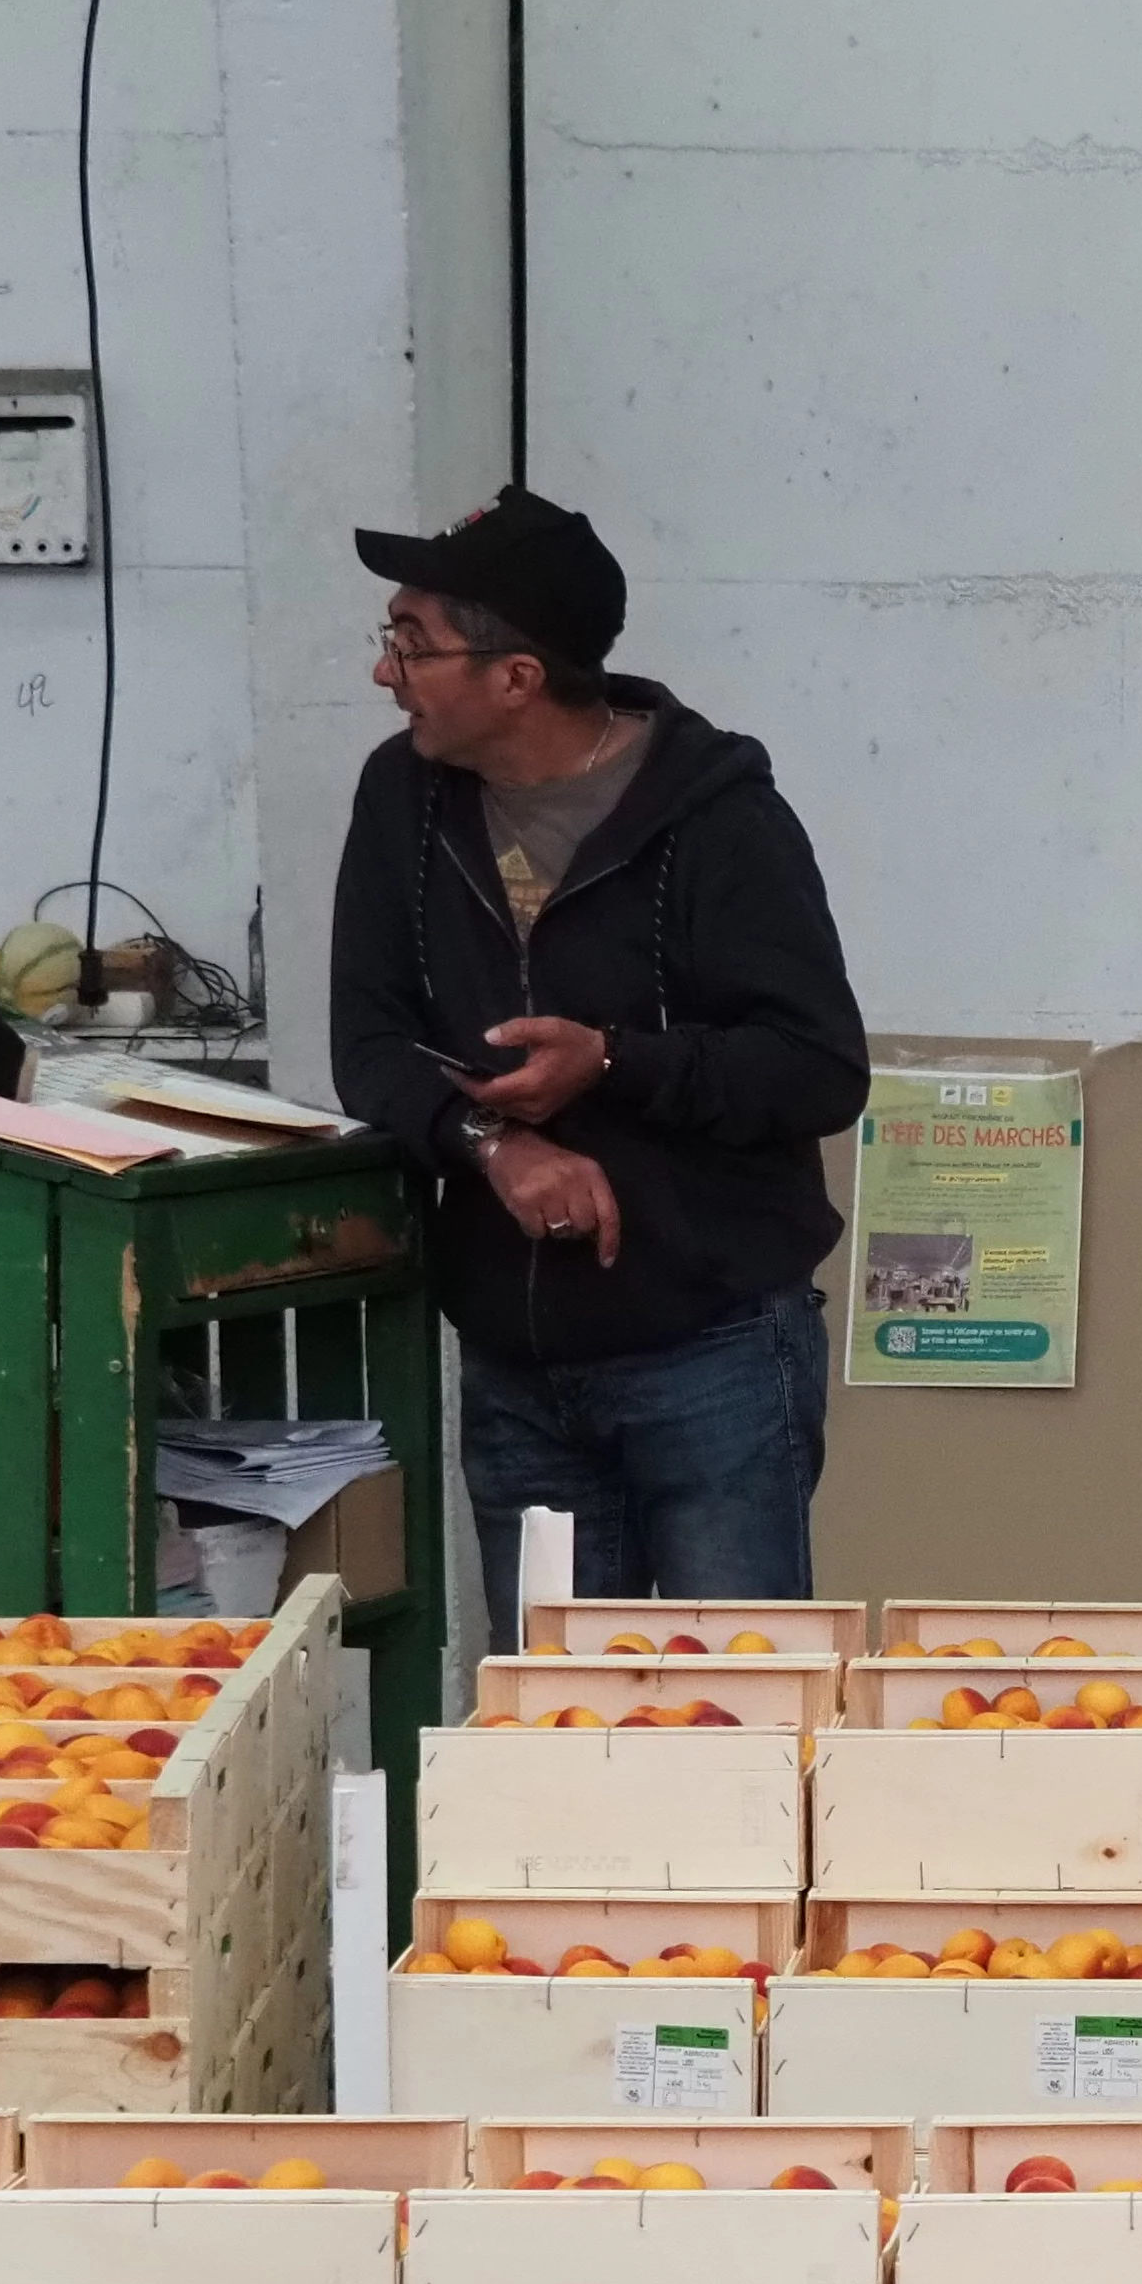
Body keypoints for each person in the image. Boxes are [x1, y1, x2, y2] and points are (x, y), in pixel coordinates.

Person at [325, 487, 869, 1634]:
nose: (387, 673)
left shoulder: (718, 817)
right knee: (553, 1738)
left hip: (710, 1350)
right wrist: (490, 1144)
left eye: (411, 644)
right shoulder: (401, 797)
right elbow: (367, 1044)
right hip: (515, 1369)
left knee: (742, 1722)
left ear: (516, 677)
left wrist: (613, 1065)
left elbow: (817, 1069)